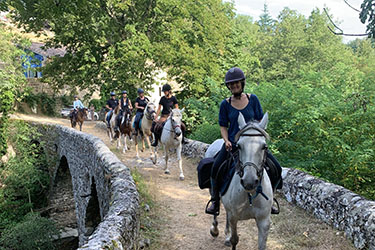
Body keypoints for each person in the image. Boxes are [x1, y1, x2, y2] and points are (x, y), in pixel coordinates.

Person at [205, 67, 282, 216]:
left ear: (242, 83)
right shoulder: (225, 104)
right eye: (231, 84)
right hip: (234, 145)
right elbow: (223, 126)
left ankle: (271, 199)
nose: (234, 86)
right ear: (228, 87)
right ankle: (215, 201)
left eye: (237, 83)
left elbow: (260, 122)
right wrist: (226, 140)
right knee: (215, 168)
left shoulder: (253, 99)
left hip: (253, 145)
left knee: (276, 168)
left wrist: (259, 140)